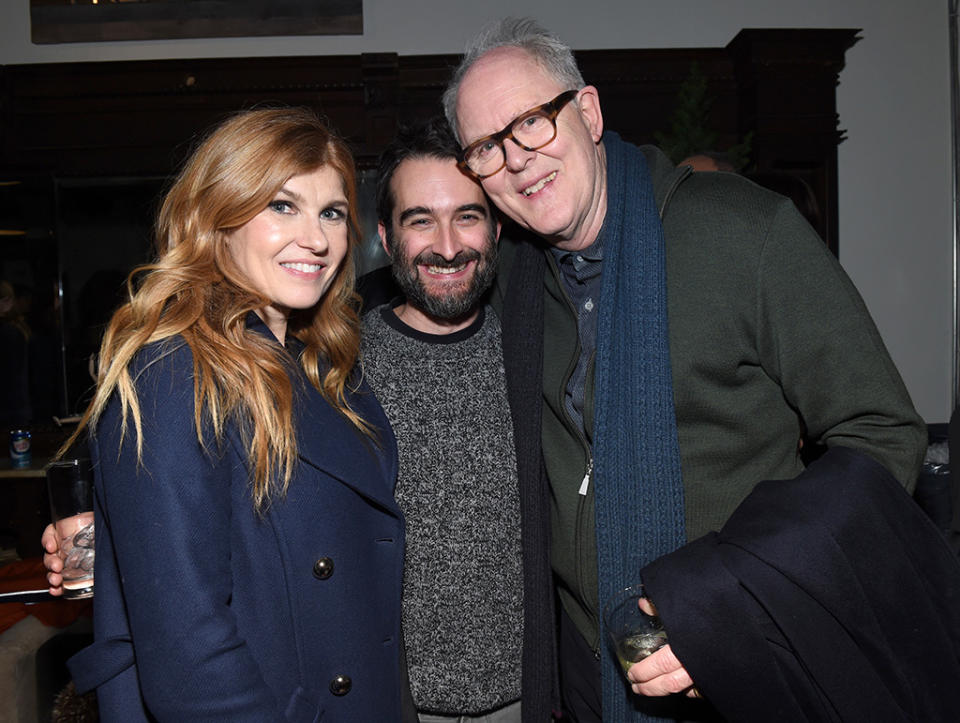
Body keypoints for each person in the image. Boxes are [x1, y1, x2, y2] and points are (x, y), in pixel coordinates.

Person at [442, 17, 928, 722]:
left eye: (532, 122)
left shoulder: (743, 230)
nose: (515, 159)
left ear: (588, 112)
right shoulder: (516, 282)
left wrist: (740, 609)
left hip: (752, 655)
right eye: (485, 147)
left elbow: (882, 435)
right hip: (583, 669)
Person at [42, 107, 411, 721]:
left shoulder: (317, 361)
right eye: (282, 206)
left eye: (333, 212)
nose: (317, 239)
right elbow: (190, 656)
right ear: (218, 218)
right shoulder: (172, 371)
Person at [358, 117, 552, 722]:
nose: (447, 245)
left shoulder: (542, 349)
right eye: (421, 220)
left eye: (467, 216)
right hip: (392, 706)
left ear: (497, 227)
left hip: (537, 702)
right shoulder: (337, 368)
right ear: (387, 240)